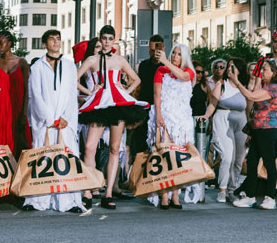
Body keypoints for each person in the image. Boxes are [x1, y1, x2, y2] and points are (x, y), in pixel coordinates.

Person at [78, 25, 148, 210]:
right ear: (100, 39)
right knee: (89, 147)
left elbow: (137, 79)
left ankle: (108, 193)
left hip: (117, 105)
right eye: (104, 38)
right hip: (100, 105)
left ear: (114, 40)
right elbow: (74, 78)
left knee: (115, 148)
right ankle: (87, 190)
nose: (107, 41)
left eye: (110, 38)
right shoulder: (92, 60)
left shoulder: (120, 60)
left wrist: (126, 90)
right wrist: (89, 92)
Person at [22, 29, 84, 213]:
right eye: (52, 39)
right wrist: (49, 119)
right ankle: (37, 201)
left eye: (58, 39)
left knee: (67, 159)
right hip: (45, 122)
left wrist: (66, 117)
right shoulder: (37, 67)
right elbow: (36, 95)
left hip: (66, 121)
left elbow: (73, 94)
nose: (56, 42)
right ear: (44, 43)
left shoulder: (69, 65)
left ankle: (69, 201)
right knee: (43, 159)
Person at [230, 58, 277, 210]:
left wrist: (236, 81)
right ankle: (249, 196)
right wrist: (257, 79)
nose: (262, 72)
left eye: (265, 69)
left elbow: (251, 97)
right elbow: (253, 97)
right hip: (257, 129)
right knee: (252, 162)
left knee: (268, 162)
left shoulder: (275, 88)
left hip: (268, 129)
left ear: (274, 72)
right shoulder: (266, 86)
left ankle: (270, 197)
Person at [147, 43, 196, 209]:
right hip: (165, 116)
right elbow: (157, 94)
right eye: (173, 53)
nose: (175, 56)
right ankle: (164, 195)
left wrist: (165, 62)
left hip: (182, 119)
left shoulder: (189, 72)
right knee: (164, 155)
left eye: (179, 54)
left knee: (178, 158)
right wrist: (159, 115)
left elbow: (182, 77)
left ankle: (176, 194)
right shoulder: (160, 71)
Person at [200, 58, 248, 203]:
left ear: (239, 70)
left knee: (238, 159)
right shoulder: (221, 84)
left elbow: (250, 104)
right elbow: (212, 104)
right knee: (227, 156)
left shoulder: (243, 86)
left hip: (241, 121)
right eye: (229, 66)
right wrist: (206, 116)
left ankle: (233, 188)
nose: (229, 69)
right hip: (223, 118)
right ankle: (222, 189)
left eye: (233, 67)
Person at [0, 31, 31, 155]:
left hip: (17, 111)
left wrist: (23, 115)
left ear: (9, 43)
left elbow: (26, 91)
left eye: (1, 43)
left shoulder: (22, 63)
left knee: (20, 148)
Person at [132, 35, 164, 161]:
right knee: (141, 141)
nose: (154, 52)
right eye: (151, 50)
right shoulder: (144, 65)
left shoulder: (166, 66)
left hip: (161, 108)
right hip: (145, 107)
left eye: (157, 49)